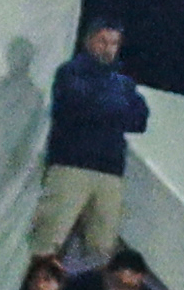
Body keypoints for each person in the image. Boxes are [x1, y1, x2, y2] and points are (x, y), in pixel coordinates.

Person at [33, 22, 145, 272]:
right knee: (50, 236)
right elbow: (79, 104)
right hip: (71, 165)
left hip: (109, 171)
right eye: (103, 41)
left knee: (103, 245)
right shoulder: (71, 72)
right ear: (89, 41)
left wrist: (104, 107)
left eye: (114, 43)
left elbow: (140, 118)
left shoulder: (123, 83)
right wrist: (114, 108)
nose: (108, 49)